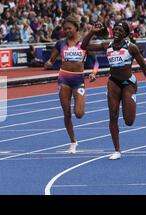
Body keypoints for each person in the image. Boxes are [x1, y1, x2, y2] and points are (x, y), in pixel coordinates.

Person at [81, 21, 146, 160]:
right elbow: (83, 46)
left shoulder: (131, 47)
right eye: (115, 29)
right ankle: (117, 150)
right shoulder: (107, 45)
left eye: (120, 30)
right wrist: (92, 32)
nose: (117, 32)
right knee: (113, 115)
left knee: (129, 121)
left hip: (128, 83)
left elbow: (144, 67)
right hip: (113, 83)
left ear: (125, 34)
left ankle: (131, 100)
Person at [44, 16, 99, 154]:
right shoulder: (60, 44)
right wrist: (48, 63)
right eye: (65, 29)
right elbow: (51, 60)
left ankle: (78, 109)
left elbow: (96, 62)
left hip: (78, 80)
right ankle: (73, 142)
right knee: (66, 112)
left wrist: (94, 72)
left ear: (76, 27)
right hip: (63, 79)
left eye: (69, 28)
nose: (67, 31)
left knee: (79, 113)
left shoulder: (84, 43)